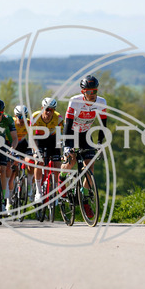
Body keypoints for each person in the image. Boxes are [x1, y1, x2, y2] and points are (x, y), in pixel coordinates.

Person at [59, 75, 107, 218]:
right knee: (71, 161)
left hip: (85, 134)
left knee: (90, 167)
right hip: (71, 133)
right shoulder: (75, 101)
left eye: (95, 91)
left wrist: (100, 143)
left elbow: (103, 125)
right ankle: (62, 179)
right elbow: (68, 123)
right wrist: (67, 146)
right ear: (83, 92)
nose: (92, 94)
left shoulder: (101, 102)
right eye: (89, 92)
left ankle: (84, 197)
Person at [31, 97, 63, 203]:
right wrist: (35, 151)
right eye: (47, 109)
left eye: (52, 110)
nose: (49, 112)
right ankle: (38, 192)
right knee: (39, 162)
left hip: (53, 139)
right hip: (39, 139)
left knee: (57, 164)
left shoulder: (58, 118)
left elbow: (60, 136)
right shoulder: (35, 116)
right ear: (42, 108)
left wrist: (61, 151)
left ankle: (55, 191)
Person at [9, 105, 35, 201]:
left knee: (31, 161)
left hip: (23, 144)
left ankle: (29, 185)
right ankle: (11, 192)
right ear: (15, 116)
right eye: (19, 116)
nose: (22, 119)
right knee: (13, 168)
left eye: (24, 116)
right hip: (13, 144)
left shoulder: (28, 123)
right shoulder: (11, 123)